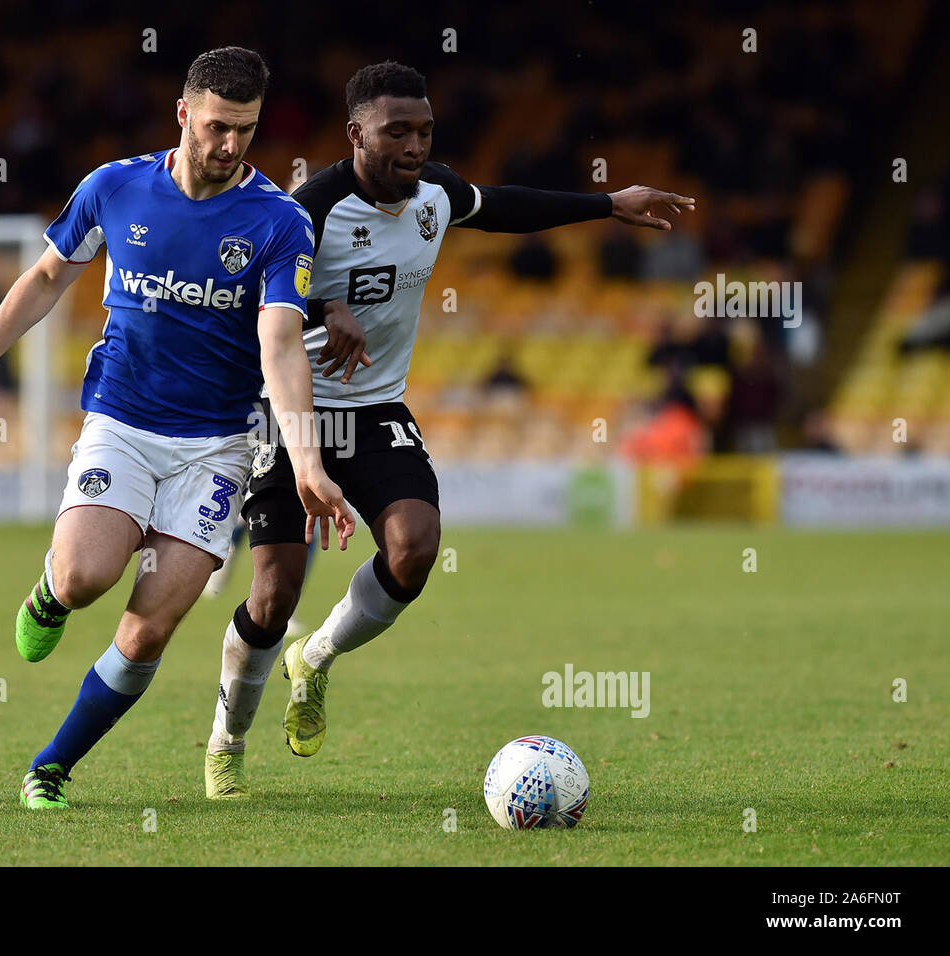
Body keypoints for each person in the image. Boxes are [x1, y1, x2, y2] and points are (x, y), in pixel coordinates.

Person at [204, 61, 694, 797]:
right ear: (355, 133)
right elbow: (246, 302)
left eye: (424, 131)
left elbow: (499, 205)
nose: (413, 145)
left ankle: (316, 662)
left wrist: (605, 204)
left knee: (415, 548)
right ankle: (227, 741)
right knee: (272, 595)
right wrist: (321, 307)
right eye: (396, 131)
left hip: (374, 408)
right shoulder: (307, 209)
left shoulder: (436, 192)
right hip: (291, 408)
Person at [0, 46, 355, 810]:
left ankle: (50, 767)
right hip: (121, 424)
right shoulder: (115, 187)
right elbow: (49, 275)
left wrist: (307, 461)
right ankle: (51, 595)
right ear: (184, 113)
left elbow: (282, 343)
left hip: (218, 449)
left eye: (245, 132)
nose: (228, 146)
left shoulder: (279, 222)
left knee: (151, 629)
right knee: (88, 577)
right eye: (217, 126)